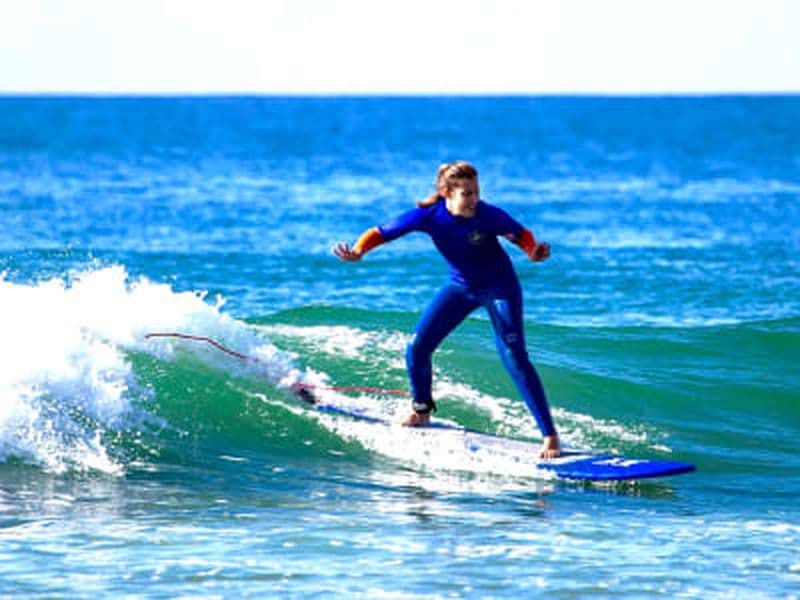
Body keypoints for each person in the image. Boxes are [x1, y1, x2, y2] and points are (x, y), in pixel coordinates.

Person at [333, 161, 561, 459]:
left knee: (514, 356)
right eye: (467, 193)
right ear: (447, 193)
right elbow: (381, 232)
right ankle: (421, 410)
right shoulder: (429, 216)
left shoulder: (489, 215)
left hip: (500, 288)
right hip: (461, 288)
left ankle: (550, 436)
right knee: (418, 347)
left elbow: (521, 234)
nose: (474, 199)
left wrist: (533, 252)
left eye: (476, 191)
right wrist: (359, 251)